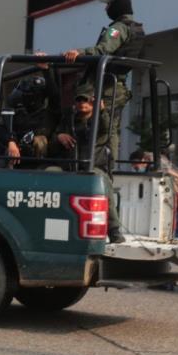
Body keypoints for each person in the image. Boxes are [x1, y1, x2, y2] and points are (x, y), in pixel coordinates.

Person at [63, 0, 145, 163]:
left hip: (108, 86)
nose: (105, 8)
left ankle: (96, 166)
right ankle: (106, 166)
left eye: (108, 5)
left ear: (116, 6)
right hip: (117, 86)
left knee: (99, 127)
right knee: (111, 129)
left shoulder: (118, 28)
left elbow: (103, 50)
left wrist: (80, 52)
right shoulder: (135, 28)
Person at [52, 83, 124, 243]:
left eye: (86, 100)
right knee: (49, 173)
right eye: (78, 100)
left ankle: (114, 231)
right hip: (70, 165)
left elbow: (108, 131)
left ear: (94, 101)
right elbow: (55, 136)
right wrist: (59, 136)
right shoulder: (69, 119)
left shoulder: (103, 119)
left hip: (94, 166)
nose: (81, 104)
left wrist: (102, 111)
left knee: (102, 183)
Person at [4, 73, 61, 167]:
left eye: (27, 95)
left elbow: (55, 96)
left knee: (40, 140)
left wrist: (46, 70)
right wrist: (11, 141)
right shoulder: (20, 115)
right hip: (18, 164)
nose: (23, 98)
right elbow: (2, 128)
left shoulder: (49, 114)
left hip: (41, 168)